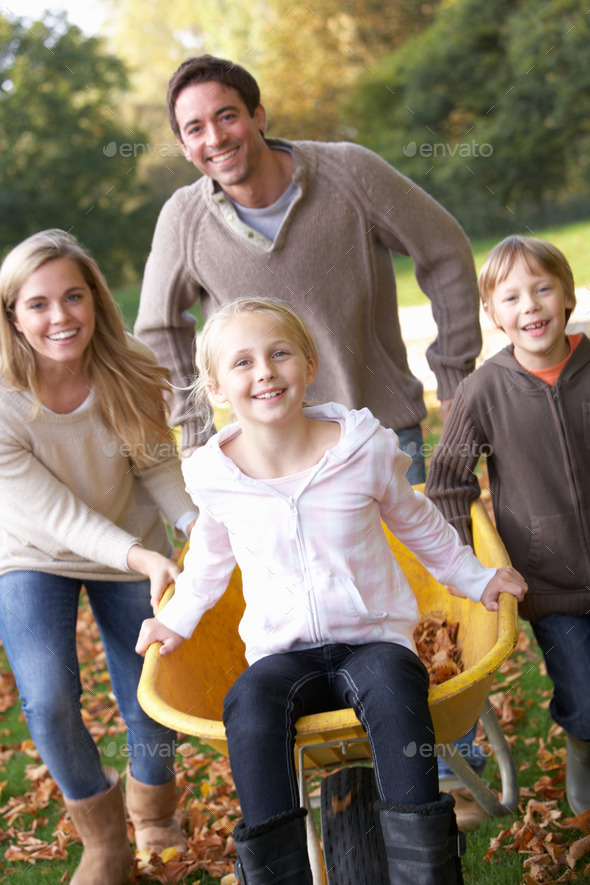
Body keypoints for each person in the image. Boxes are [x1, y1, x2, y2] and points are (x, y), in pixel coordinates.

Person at [136, 297, 527, 885]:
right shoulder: (218, 477)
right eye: (242, 363)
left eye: (279, 353)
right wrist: (176, 620)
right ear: (217, 388)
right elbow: (209, 562)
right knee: (248, 704)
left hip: (372, 642)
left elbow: (417, 524)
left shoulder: (360, 449)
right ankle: (277, 875)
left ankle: (427, 874)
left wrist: (476, 578)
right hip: (281, 654)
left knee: (398, 691)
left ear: (309, 364)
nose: (264, 370)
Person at [134, 53, 484, 485]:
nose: (216, 137)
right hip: (268, 457)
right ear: (185, 148)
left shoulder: (350, 172)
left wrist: (454, 380)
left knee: (413, 552)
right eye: (196, 129)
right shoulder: (183, 220)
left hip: (382, 434)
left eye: (227, 116)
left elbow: (444, 248)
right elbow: (157, 327)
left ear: (258, 115)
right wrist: (195, 430)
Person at [0, 230, 199, 885]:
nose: (60, 317)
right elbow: (53, 513)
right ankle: (105, 841)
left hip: (131, 542)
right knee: (50, 697)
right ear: (11, 313)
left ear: (96, 300)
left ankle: (154, 811)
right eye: (38, 304)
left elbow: (155, 464)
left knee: (147, 695)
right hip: (30, 551)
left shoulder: (126, 364)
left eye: (73, 296)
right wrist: (140, 555)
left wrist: (193, 524)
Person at [425, 235, 590, 818]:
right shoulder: (483, 391)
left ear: (567, 295)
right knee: (585, 696)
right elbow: (447, 481)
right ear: (492, 315)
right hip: (549, 582)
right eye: (512, 296)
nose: (531, 306)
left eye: (543, 288)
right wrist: (467, 567)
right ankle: (582, 749)